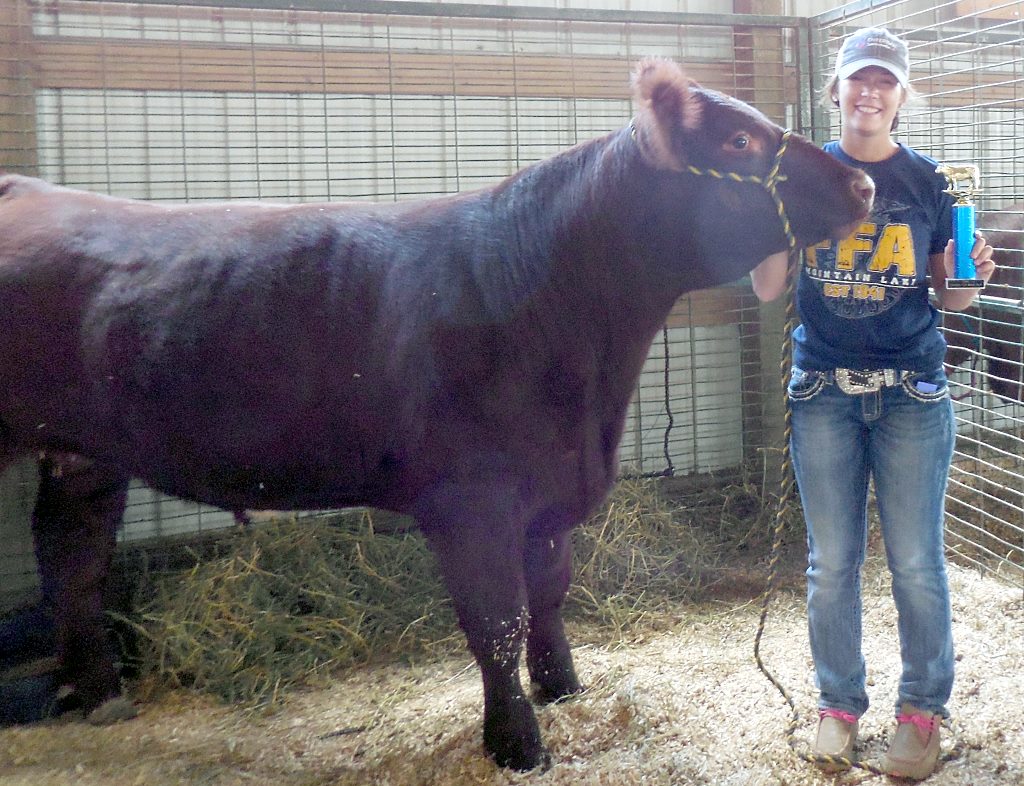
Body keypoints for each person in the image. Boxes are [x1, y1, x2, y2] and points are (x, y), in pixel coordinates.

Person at [750, 27, 995, 781]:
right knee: (832, 565)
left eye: (885, 80)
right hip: (822, 388)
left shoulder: (928, 182)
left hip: (913, 393)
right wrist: (765, 220)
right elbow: (765, 289)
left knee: (918, 562)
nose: (870, 92)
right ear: (835, 91)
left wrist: (971, 275)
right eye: (859, 78)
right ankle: (838, 706)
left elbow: (949, 299)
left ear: (901, 94)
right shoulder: (804, 176)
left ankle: (922, 713)